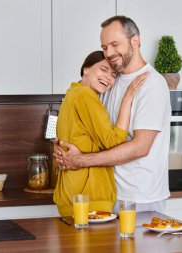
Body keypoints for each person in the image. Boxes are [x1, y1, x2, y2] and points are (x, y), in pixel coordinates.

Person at [54, 16, 171, 213]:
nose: (108, 53)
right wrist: (62, 149)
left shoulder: (152, 84)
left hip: (139, 198)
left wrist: (80, 160)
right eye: (104, 46)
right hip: (106, 195)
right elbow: (92, 131)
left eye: (114, 44)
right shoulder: (109, 82)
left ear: (135, 41)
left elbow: (140, 148)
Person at [53, 50, 147, 217]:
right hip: (89, 198)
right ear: (86, 69)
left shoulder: (71, 94)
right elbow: (114, 142)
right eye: (103, 69)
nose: (108, 78)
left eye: (113, 74)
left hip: (71, 195)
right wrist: (128, 98)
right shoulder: (85, 95)